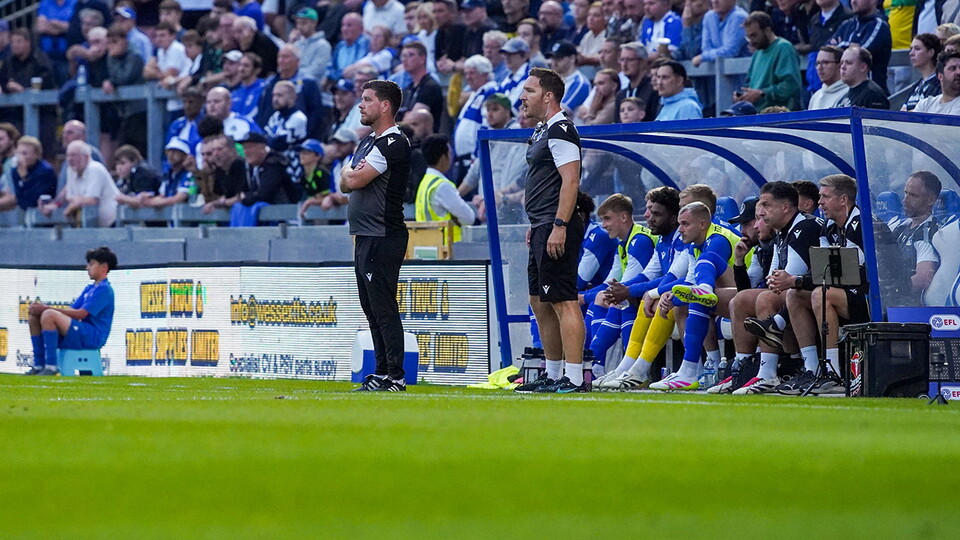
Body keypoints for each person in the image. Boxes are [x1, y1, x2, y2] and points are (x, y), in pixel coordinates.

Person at [510, 68, 587, 394]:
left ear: (548, 96)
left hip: (558, 225)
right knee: (540, 301)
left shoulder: (562, 130)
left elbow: (571, 181)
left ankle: (574, 377)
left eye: (528, 90)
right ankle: (553, 372)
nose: (522, 97)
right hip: (542, 224)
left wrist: (559, 225)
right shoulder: (544, 131)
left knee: (563, 300)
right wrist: (540, 224)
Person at [343, 80, 413, 392]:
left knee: (383, 307)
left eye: (367, 100)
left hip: (384, 235)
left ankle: (395, 376)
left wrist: (351, 175)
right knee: (371, 308)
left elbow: (354, 178)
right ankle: (382, 372)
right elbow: (346, 182)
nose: (361, 105)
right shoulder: (369, 142)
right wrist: (350, 176)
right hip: (365, 235)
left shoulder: (393, 143)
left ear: (385, 106)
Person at [780, 174, 870, 395]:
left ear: (843, 200)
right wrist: (798, 282)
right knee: (794, 294)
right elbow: (823, 270)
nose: (819, 202)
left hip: (871, 299)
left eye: (825, 197)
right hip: (847, 294)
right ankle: (812, 367)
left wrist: (799, 279)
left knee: (822, 293)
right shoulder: (828, 227)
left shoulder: (862, 224)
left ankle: (833, 372)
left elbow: (849, 273)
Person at [730, 181, 823, 394]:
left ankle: (768, 373)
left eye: (765, 205)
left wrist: (778, 283)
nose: (759, 212)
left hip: (816, 292)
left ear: (785, 207)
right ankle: (742, 369)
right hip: (798, 292)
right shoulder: (782, 231)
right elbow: (774, 277)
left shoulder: (804, 226)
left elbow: (787, 279)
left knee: (766, 299)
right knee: (742, 299)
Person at [579, 194, 656, 378]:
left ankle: (602, 364)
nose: (603, 225)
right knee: (599, 298)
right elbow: (610, 281)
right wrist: (584, 296)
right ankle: (593, 364)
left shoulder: (640, 240)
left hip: (646, 295)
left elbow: (626, 285)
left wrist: (584, 296)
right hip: (639, 294)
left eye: (607, 219)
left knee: (615, 300)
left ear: (623, 217)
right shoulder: (622, 244)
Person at [26, 246, 117, 375]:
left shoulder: (104, 290)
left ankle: (51, 366)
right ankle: (39, 364)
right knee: (35, 316)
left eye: (91, 264)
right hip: (81, 331)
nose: (87, 268)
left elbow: (81, 314)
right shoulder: (89, 289)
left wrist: (46, 308)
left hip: (92, 335)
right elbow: (73, 310)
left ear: (104, 267)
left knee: (48, 314)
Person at [42, 140, 120, 227]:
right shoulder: (71, 170)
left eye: (74, 155)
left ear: (86, 157)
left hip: (113, 223)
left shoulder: (95, 169)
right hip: (93, 225)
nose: (70, 159)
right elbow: (70, 198)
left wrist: (70, 208)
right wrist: (55, 205)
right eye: (68, 155)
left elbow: (91, 200)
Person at [736, 11, 802, 111]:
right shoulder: (758, 53)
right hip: (758, 114)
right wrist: (743, 95)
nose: (751, 41)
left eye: (754, 35)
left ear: (767, 30)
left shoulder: (784, 48)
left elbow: (791, 86)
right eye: (748, 37)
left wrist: (762, 93)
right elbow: (748, 83)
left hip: (780, 114)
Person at [890, 171, 941, 300]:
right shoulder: (900, 228)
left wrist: (890, 291)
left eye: (913, 195)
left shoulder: (927, 232)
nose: (905, 200)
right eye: (906, 193)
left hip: (909, 305)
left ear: (930, 200)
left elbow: (923, 278)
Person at [415, 134, 476, 241]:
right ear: (443, 157)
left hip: (428, 244)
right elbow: (469, 218)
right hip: (447, 247)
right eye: (450, 153)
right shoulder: (442, 185)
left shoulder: (425, 182)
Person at [829, 0, 891, 93]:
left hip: (871, 92)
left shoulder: (879, 25)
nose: (853, 1)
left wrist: (841, 44)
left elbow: (861, 53)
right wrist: (849, 45)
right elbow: (828, 51)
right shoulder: (847, 25)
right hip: (846, 92)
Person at [265, 80, 309, 184]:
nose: (275, 99)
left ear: (292, 97)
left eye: (279, 95)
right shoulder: (275, 117)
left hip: (293, 166)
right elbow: (265, 139)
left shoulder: (299, 118)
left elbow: (278, 143)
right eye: (274, 95)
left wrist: (269, 141)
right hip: (275, 165)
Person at [397, 41, 443, 132]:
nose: (405, 60)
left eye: (410, 55)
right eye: (403, 56)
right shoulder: (408, 88)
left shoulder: (430, 86)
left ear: (422, 59)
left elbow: (413, 120)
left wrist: (403, 117)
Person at [692, 0, 750, 68]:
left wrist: (703, 57)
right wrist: (706, 55)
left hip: (739, 72)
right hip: (716, 73)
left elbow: (730, 51)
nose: (714, 1)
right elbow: (705, 49)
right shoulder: (709, 17)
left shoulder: (739, 17)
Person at [141, 137, 196, 208]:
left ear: (184, 154)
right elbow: (162, 196)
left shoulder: (190, 174)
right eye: (168, 151)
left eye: (175, 151)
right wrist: (146, 200)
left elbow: (179, 198)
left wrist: (151, 203)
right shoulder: (168, 174)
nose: (170, 155)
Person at [615, 42, 659, 122]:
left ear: (643, 62)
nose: (624, 64)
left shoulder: (654, 89)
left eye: (630, 60)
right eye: (622, 60)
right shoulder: (620, 95)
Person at [10, 136, 57, 210]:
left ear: (36, 154)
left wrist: (25, 178)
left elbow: (33, 201)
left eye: (24, 153)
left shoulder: (45, 170)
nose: (20, 157)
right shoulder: (16, 170)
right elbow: (19, 198)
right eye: (18, 153)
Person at [297, 139, 340, 217]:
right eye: (301, 152)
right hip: (313, 213)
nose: (302, 155)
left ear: (317, 156)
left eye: (307, 152)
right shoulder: (302, 175)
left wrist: (309, 202)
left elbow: (328, 196)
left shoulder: (321, 173)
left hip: (329, 215)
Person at [547, 41, 591, 116]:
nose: (554, 62)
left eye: (559, 58)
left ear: (572, 58)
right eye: (552, 58)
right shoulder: (552, 81)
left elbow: (561, 110)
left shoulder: (580, 83)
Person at [902, 33, 943, 111]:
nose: (911, 53)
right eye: (911, 49)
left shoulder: (940, 84)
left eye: (917, 49)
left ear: (931, 52)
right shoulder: (916, 86)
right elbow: (903, 112)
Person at [292, 7, 332, 83]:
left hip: (312, 85)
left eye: (304, 23)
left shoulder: (323, 45)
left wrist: (294, 76)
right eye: (298, 23)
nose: (300, 27)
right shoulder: (297, 44)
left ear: (314, 23)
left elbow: (317, 71)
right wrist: (291, 42)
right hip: (296, 81)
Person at [497, 37, 533, 112]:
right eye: (505, 54)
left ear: (524, 55)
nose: (506, 57)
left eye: (511, 54)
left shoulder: (530, 77)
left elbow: (514, 106)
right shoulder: (506, 77)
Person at [807, 45, 848, 109]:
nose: (820, 68)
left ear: (839, 66)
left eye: (825, 63)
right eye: (817, 63)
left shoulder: (848, 93)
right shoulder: (815, 97)